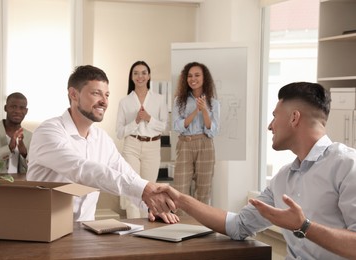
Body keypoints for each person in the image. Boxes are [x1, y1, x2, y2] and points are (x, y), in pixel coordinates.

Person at [160, 82, 356, 259]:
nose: (270, 126)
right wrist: (180, 199)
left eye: (274, 117)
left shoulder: (347, 165)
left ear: (294, 118)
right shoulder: (283, 178)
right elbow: (238, 226)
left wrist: (304, 226)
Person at [26, 65, 178, 224]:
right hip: (44, 229)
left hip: (84, 232)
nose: (104, 101)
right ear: (73, 94)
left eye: (107, 95)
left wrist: (151, 206)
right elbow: (81, 169)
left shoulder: (102, 139)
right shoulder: (48, 132)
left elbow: (126, 175)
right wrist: (144, 188)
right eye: (96, 93)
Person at [116, 61, 168, 218]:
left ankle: (146, 229)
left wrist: (148, 118)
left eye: (144, 72)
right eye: (136, 73)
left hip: (152, 147)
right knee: (132, 188)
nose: (140, 76)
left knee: (149, 190)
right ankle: (134, 229)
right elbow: (119, 132)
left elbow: (164, 127)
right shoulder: (124, 102)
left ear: (149, 76)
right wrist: (136, 121)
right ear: (132, 77)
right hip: (131, 145)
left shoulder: (159, 99)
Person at [172, 61, 220, 213]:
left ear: (204, 78)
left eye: (197, 75)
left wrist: (204, 110)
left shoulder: (213, 103)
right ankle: (178, 226)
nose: (193, 79)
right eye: (190, 76)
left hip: (205, 144)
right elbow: (177, 126)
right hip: (185, 144)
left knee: (203, 190)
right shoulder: (179, 101)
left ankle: (200, 227)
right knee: (179, 190)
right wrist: (195, 112)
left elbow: (212, 131)